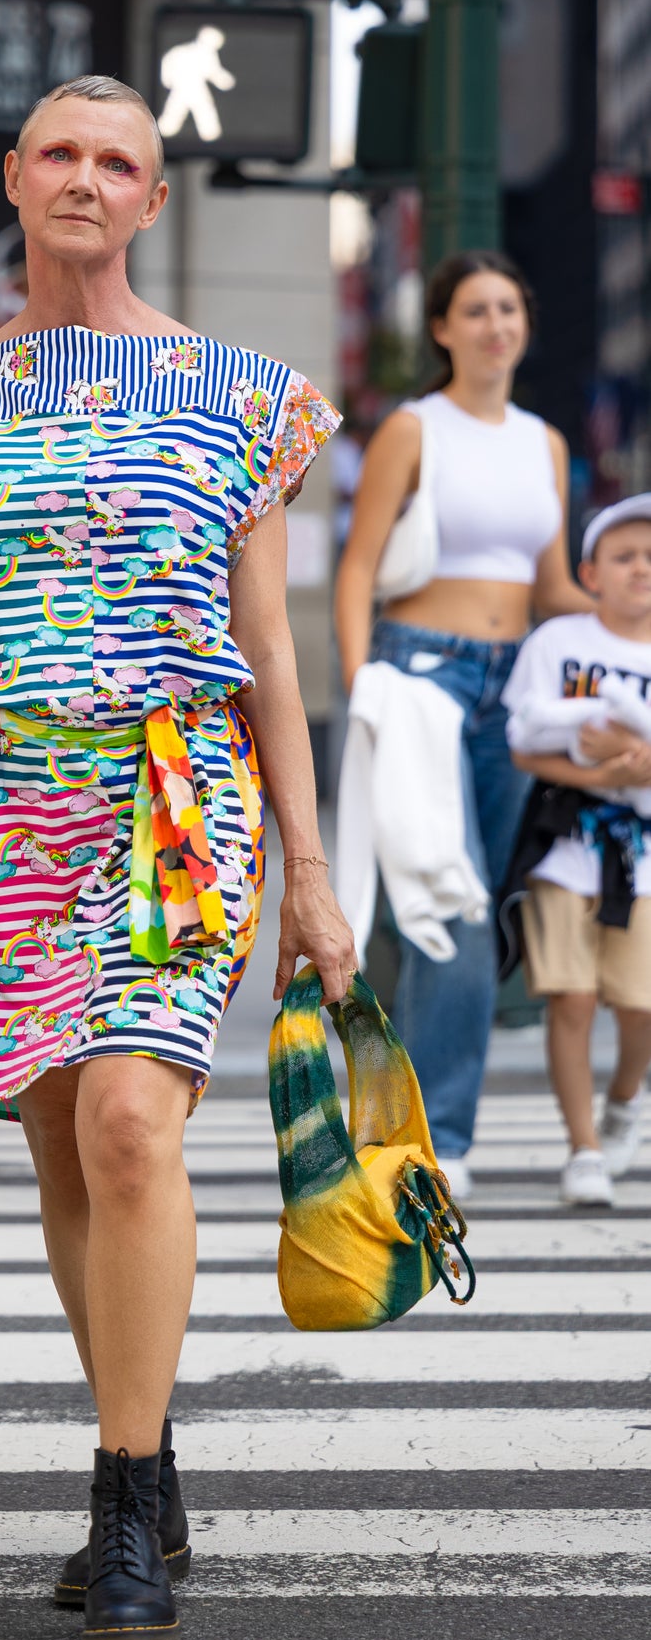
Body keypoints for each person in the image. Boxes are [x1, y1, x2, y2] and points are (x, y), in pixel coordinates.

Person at [0, 74, 354, 1640]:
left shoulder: (246, 392)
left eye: (117, 162)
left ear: (153, 198)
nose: (84, 179)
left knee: (136, 1128)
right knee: (72, 1153)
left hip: (168, 798)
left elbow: (270, 652)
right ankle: (147, 1441)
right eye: (58, 154)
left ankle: (124, 1494)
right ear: (13, 179)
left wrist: (313, 869)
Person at [334, 252, 586, 1196]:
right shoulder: (414, 429)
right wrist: (363, 682)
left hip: (511, 683)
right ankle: (440, 1134)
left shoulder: (544, 443)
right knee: (454, 905)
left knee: (461, 903)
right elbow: (358, 566)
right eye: (475, 311)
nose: (494, 326)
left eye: (508, 309)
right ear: (442, 328)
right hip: (420, 676)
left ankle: (401, 1112)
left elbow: (552, 585)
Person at [501, 496, 651, 1206]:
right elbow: (523, 742)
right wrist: (600, 774)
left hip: (643, 857)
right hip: (566, 845)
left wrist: (635, 768)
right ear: (589, 572)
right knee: (572, 997)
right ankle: (582, 1146)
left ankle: (625, 1100)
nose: (640, 569)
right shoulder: (556, 643)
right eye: (623, 557)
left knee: (639, 1003)